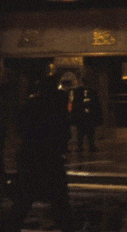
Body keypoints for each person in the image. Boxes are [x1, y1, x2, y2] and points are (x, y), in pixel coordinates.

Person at [5, 74, 73, 232]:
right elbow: (64, 131)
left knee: (24, 200)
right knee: (59, 200)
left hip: (31, 156)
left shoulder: (32, 104)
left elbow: (21, 127)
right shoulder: (56, 105)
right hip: (49, 156)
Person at [69, 82, 102, 153]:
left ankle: (81, 146)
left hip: (82, 115)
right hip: (88, 115)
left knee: (82, 132)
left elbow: (76, 104)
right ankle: (90, 145)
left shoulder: (78, 92)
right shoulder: (91, 92)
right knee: (89, 132)